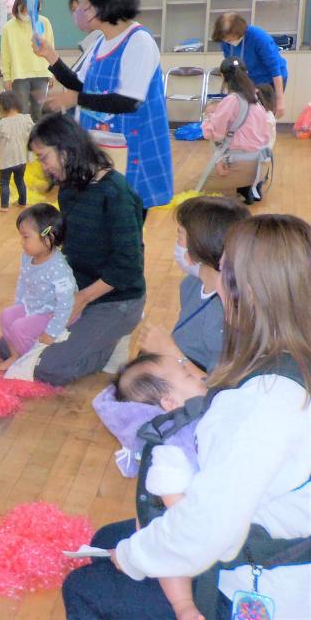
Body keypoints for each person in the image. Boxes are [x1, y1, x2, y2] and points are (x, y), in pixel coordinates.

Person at [63, 214, 311, 620]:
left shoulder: (265, 402)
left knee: (86, 587)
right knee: (109, 539)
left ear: (247, 291)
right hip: (266, 526)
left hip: (261, 582)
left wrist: (134, 556)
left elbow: (206, 534)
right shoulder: (289, 362)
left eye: (223, 272)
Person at [17, 113, 145, 385]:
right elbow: (71, 247)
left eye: (44, 157)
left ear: (66, 149)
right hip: (78, 294)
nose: (43, 166)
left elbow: (129, 265)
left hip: (115, 300)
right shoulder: (69, 188)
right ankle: (95, 338)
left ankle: (111, 341)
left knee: (46, 367)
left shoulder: (115, 193)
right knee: (15, 343)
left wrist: (82, 299)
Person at [35, 0, 173, 213]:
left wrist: (75, 99)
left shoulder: (139, 41)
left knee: (126, 218)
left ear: (104, 3)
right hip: (105, 147)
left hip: (133, 150)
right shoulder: (101, 41)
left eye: (84, 4)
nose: (79, 10)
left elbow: (128, 101)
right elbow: (80, 85)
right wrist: (51, 56)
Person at [112, 352, 211, 620]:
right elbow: (170, 496)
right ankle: (183, 605)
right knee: (168, 558)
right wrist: (190, 524)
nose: (200, 377)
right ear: (170, 402)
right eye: (189, 376)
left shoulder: (196, 420)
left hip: (197, 517)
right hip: (173, 519)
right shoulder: (170, 446)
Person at [138, 196, 250, 373]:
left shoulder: (226, 315)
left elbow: (214, 385)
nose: (177, 242)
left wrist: (169, 351)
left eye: (180, 234)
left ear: (199, 245)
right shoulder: (190, 285)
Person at [0, 203, 76, 367]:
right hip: (33, 306)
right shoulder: (27, 257)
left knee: (19, 328)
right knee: (6, 316)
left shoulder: (59, 269)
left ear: (49, 238)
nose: (21, 242)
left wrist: (52, 332)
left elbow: (66, 304)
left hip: (51, 313)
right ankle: (16, 356)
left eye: (26, 237)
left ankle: (30, 361)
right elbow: (22, 281)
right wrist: (19, 306)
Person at [201, 58, 274, 204]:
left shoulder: (231, 100)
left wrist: (207, 118)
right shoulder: (256, 99)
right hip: (261, 164)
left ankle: (241, 183)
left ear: (222, 76)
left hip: (240, 164)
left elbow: (212, 133)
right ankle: (248, 186)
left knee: (190, 190)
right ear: (246, 73)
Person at [211, 12, 287, 118]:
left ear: (238, 32)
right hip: (249, 79)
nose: (227, 42)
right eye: (225, 40)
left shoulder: (258, 37)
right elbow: (232, 67)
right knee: (246, 114)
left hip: (270, 79)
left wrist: (280, 100)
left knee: (264, 115)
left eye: (229, 39)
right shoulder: (225, 42)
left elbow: (274, 68)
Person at [0, 0, 55, 122]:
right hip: (19, 75)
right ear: (18, 6)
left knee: (39, 113)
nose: (27, 12)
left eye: (31, 8)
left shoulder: (44, 22)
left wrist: (52, 72)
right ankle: (23, 136)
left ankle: (37, 136)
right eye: (24, 8)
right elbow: (5, 54)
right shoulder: (8, 27)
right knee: (21, 113)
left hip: (41, 73)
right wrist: (7, 77)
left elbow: (50, 48)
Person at [0, 89, 35, 211]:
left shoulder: (1, 124)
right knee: (20, 180)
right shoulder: (27, 119)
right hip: (22, 159)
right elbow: (33, 135)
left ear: (2, 107)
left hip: (7, 160)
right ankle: (22, 202)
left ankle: (4, 206)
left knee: (4, 182)